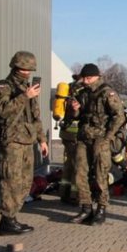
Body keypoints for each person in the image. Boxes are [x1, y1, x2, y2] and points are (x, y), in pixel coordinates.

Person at [0, 51, 49, 235]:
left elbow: (35, 117)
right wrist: (25, 96)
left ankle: (11, 218)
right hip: (11, 142)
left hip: (27, 141)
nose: (27, 73)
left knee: (25, 182)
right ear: (16, 67)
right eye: (25, 69)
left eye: (29, 70)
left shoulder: (29, 88)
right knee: (11, 182)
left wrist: (42, 139)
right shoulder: (3, 86)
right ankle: (7, 221)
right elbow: (2, 111)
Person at [68, 63, 125, 225]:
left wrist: (108, 138)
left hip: (101, 139)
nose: (86, 81)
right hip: (84, 137)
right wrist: (75, 109)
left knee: (101, 175)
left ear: (97, 77)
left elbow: (119, 116)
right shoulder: (82, 92)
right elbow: (78, 116)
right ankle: (86, 208)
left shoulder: (107, 92)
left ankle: (101, 208)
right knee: (79, 173)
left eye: (89, 78)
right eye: (84, 78)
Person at [56, 75, 84, 205]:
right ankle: (74, 195)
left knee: (68, 165)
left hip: (66, 134)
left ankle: (63, 193)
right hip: (76, 135)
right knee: (77, 166)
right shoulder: (80, 92)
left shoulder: (67, 90)